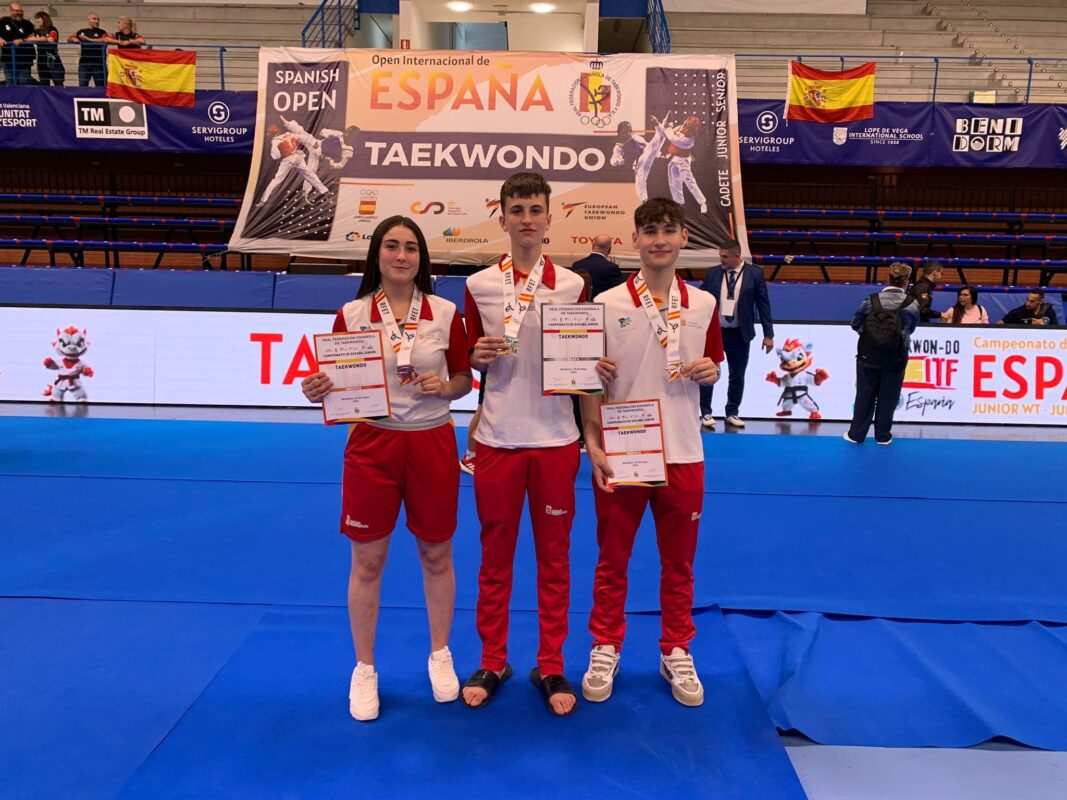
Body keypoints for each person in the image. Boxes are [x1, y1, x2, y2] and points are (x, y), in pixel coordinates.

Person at [299, 216, 472, 722]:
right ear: (377, 254)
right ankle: (365, 666)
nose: (401, 256)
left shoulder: (445, 312)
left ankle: (440, 653)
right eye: (392, 246)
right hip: (372, 445)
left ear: (423, 258)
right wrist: (317, 390)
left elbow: (462, 378)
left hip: (432, 441)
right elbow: (330, 380)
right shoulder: (351, 314)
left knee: (437, 556)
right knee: (368, 563)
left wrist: (448, 388)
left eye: (411, 248)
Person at [580, 197, 723, 708]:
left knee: (678, 563)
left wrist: (712, 372)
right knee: (611, 559)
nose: (659, 239)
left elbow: (711, 364)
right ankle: (605, 644)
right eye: (650, 231)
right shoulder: (606, 304)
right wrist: (592, 444)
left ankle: (676, 647)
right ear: (634, 240)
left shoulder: (704, 304)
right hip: (624, 449)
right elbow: (588, 385)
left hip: (683, 449)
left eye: (668, 230)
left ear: (683, 237)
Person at [461, 171, 586, 717]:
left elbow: (587, 363)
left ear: (549, 217)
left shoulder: (575, 287)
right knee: (495, 557)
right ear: (503, 217)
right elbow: (463, 356)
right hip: (497, 438)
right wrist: (473, 358)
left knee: (554, 558)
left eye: (536, 209)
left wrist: (594, 369)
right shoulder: (479, 285)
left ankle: (552, 660)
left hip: (557, 438)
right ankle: (493, 657)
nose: (527, 219)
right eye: (518, 210)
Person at [698, 239, 774, 430]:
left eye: (725, 256)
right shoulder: (713, 273)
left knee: (737, 375)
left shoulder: (755, 274)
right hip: (715, 332)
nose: (721, 259)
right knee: (709, 372)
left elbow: (763, 304)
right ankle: (706, 412)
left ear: (737, 256)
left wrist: (768, 334)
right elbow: (700, 301)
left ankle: (732, 412)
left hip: (740, 333)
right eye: (720, 256)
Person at [844, 262, 919, 446]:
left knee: (864, 394)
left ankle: (856, 434)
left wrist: (873, 336)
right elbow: (910, 329)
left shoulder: (870, 300)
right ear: (906, 281)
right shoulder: (912, 303)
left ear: (888, 278)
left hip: (868, 355)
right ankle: (883, 436)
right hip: (896, 356)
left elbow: (855, 323)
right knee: (889, 396)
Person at [66, 13, 107, 87]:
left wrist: (87, 39)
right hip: (84, 63)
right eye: (94, 19)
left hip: (98, 64)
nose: (96, 21)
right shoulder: (82, 31)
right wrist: (74, 39)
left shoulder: (102, 32)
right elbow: (69, 38)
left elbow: (104, 39)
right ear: (89, 20)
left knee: (101, 86)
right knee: (83, 85)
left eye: (98, 19)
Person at [0, 3, 35, 86]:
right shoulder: (3, 21)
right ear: (11, 11)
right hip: (8, 58)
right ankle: (11, 99)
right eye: (16, 11)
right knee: (10, 82)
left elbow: (32, 36)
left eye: (20, 11)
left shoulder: (28, 24)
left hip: (24, 59)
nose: (19, 13)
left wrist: (22, 40)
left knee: (24, 82)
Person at [29, 11, 63, 86]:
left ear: (44, 19)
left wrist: (39, 39)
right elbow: (29, 39)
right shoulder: (36, 31)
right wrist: (44, 38)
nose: (36, 20)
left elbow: (52, 38)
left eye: (38, 18)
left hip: (53, 60)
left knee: (58, 83)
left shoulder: (52, 29)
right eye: (36, 18)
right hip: (41, 60)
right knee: (44, 83)